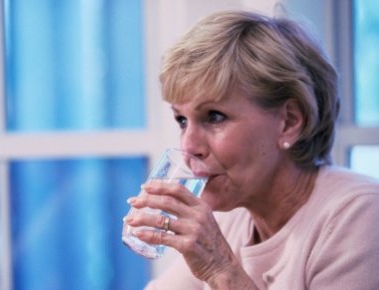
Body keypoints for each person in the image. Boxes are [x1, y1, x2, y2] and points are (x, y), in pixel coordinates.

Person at [123, 10, 379, 289]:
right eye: (182, 120)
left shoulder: (360, 215)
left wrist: (220, 269)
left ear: (289, 122)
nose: (188, 146)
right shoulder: (231, 216)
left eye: (214, 116)